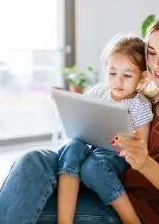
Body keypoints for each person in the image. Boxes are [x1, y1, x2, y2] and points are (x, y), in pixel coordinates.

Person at [0, 11, 159, 224]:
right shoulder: (146, 88)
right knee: (31, 161)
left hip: (123, 204)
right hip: (87, 173)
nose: (156, 63)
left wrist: (145, 163)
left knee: (20, 204)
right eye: (151, 53)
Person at [57, 36, 153, 224]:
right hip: (88, 144)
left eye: (127, 76)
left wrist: (131, 141)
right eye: (112, 73)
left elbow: (141, 145)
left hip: (113, 154)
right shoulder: (98, 92)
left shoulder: (139, 105)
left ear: (141, 78)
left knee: (94, 167)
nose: (118, 81)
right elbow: (79, 114)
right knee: (72, 148)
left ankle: (131, 220)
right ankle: (64, 220)